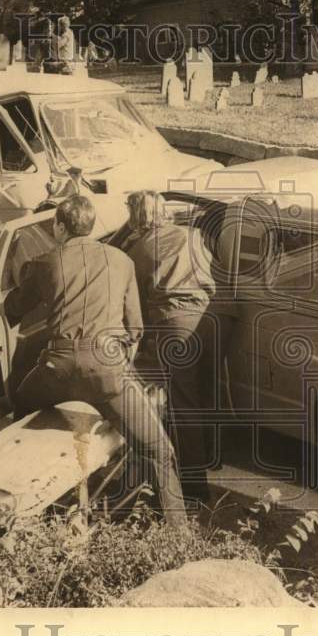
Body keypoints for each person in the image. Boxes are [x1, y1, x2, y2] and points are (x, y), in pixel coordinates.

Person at [0, 194, 189, 528]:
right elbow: (135, 328)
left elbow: (15, 308)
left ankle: (16, 502)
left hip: (56, 370)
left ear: (60, 227)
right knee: (158, 451)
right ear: (91, 226)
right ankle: (178, 538)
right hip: (109, 367)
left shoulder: (45, 262)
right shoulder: (122, 261)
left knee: (20, 408)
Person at [119, 191, 218, 510]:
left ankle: (195, 489)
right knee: (203, 395)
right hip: (208, 319)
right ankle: (209, 460)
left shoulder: (137, 250)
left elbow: (132, 305)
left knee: (182, 405)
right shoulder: (194, 234)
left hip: (173, 326)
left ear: (137, 216)